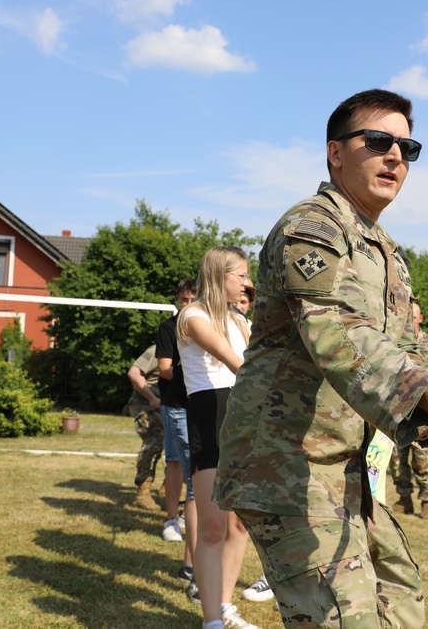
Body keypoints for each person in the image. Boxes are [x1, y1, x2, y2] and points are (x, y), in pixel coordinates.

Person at [215, 89, 428, 629]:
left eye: (408, 147)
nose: (395, 155)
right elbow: (336, 333)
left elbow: (396, 349)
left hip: (345, 463)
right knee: (346, 619)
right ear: (335, 152)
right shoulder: (313, 227)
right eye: (378, 141)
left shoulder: (386, 250)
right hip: (285, 461)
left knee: (399, 595)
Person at [178, 246, 257, 629]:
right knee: (212, 527)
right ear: (218, 275)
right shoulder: (191, 315)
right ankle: (211, 622)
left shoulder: (241, 320)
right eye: (240, 275)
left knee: (239, 524)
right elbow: (228, 355)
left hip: (244, 415)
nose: (247, 283)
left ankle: (225, 606)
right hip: (211, 416)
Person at [390, 301, 428, 520]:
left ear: (420, 318)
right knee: (397, 460)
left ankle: (427, 501)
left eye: (412, 317)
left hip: (424, 412)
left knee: (421, 458)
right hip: (397, 410)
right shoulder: (394, 343)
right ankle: (404, 499)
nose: (408, 321)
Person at [156, 278, 197, 588]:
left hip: (201, 404)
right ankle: (173, 518)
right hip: (176, 404)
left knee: (196, 474)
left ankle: (187, 521)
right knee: (176, 463)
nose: (186, 305)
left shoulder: (207, 324)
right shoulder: (170, 328)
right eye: (182, 300)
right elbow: (165, 369)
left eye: (191, 299)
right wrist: (192, 365)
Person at [127, 344, 163, 512]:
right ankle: (143, 493)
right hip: (144, 402)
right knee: (155, 438)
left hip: (167, 405)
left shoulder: (189, 350)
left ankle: (168, 488)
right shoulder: (158, 350)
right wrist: (152, 398)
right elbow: (134, 373)